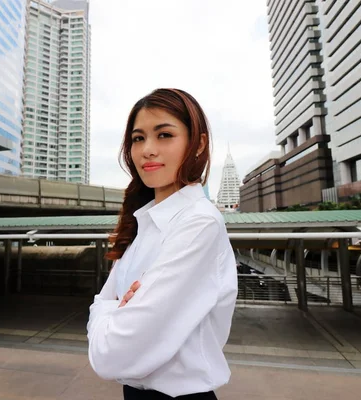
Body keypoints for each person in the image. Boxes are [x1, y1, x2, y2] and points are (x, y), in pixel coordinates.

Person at [87, 88, 238, 399]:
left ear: (198, 143)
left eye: (164, 135)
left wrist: (107, 310)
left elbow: (110, 352)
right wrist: (116, 309)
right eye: (138, 138)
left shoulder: (199, 223)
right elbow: (106, 309)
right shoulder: (145, 223)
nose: (147, 150)